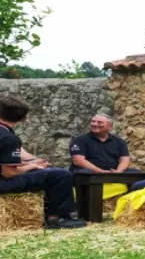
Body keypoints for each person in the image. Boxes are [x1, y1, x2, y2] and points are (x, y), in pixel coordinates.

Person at [0, 97, 86, 229]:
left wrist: (33, 162)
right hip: (3, 182)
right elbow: (9, 173)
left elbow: (7, 160)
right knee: (61, 175)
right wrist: (32, 166)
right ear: (22, 119)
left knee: (46, 172)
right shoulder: (8, 138)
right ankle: (57, 217)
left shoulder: (5, 134)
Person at [69, 114, 134, 173]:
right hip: (90, 173)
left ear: (110, 127)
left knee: (135, 172)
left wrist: (119, 171)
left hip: (112, 172)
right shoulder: (80, 140)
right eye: (93, 121)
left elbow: (125, 160)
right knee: (85, 172)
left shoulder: (119, 141)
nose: (94, 124)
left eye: (99, 122)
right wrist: (101, 172)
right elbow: (78, 161)